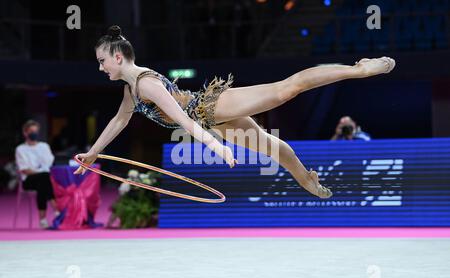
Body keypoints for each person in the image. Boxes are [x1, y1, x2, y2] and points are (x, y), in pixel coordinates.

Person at [74, 25, 396, 199]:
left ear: (118, 56)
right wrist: (93, 153)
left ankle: (360, 70)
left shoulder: (146, 84)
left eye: (102, 60)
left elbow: (185, 120)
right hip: (211, 120)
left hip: (211, 107)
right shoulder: (131, 90)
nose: (100, 66)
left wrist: (215, 146)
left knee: (287, 89)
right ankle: (308, 180)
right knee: (273, 149)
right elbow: (119, 120)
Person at [15, 120, 60, 228]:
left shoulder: (44, 146)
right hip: (28, 180)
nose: (34, 133)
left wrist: (42, 171)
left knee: (43, 183)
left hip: (44, 179)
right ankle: (57, 210)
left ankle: (43, 220)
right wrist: (41, 171)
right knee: (44, 178)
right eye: (31, 131)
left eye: (35, 131)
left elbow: (49, 163)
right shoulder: (20, 149)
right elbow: (25, 170)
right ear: (25, 133)